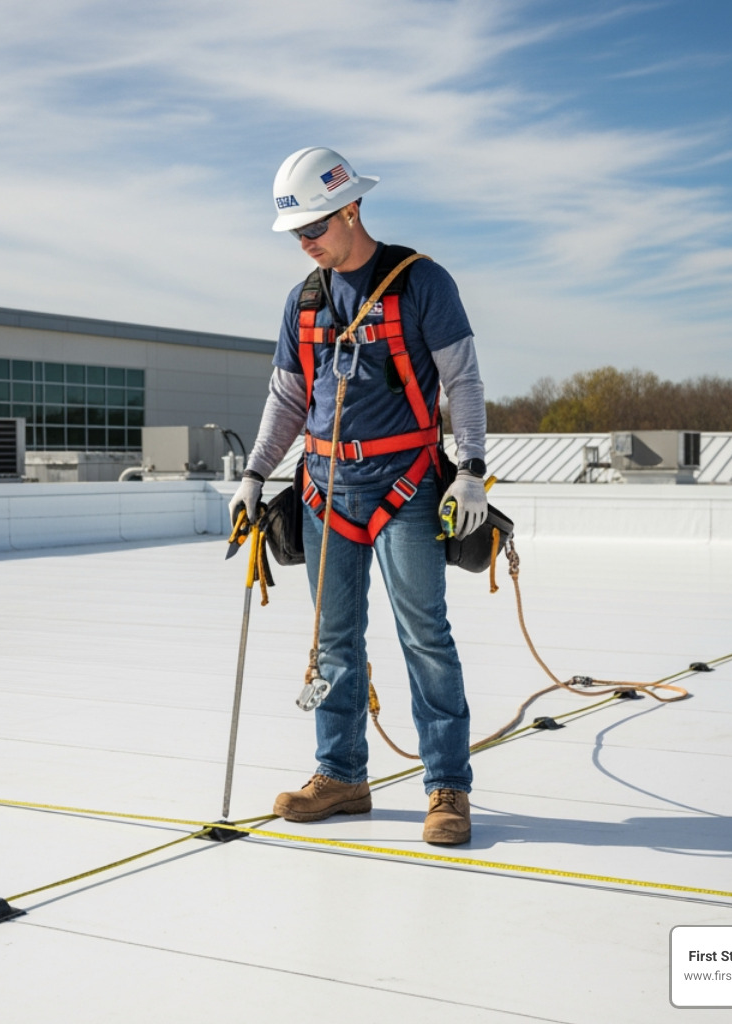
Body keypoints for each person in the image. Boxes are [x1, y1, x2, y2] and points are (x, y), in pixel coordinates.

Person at [229, 146, 488, 845]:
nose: (306, 244)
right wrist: (255, 474)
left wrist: (470, 468)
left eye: (315, 227)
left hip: (404, 488)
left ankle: (447, 788)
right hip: (323, 492)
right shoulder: (304, 300)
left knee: (425, 636)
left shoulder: (421, 283)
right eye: (297, 234)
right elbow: (288, 397)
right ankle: (341, 774)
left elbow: (461, 381)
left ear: (351, 208)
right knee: (333, 641)